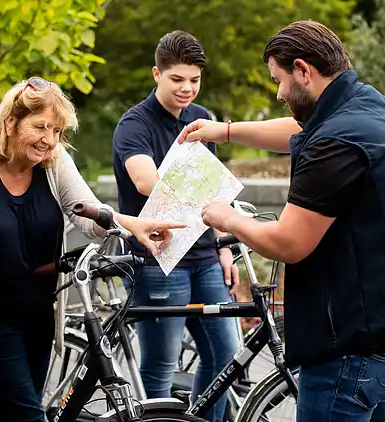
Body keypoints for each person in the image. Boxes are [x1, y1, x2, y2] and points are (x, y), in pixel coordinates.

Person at [177, 20, 385, 421]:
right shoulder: (370, 105)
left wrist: (227, 218)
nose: (279, 92)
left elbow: (289, 243)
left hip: (350, 350)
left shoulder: (336, 143)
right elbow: (302, 131)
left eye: (279, 80)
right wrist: (226, 131)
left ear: (303, 70)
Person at [0, 76, 185, 421]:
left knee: (5, 410)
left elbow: (87, 214)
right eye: (41, 127)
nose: (50, 140)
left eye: (58, 131)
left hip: (38, 315)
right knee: (29, 414)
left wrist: (133, 225)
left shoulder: (53, 163)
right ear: (11, 122)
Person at [111, 30, 239, 422]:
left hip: (204, 257)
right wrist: (204, 184)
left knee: (226, 356)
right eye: (177, 79)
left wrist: (225, 246)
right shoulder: (134, 125)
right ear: (156, 74)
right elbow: (146, 183)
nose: (187, 89)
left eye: (195, 80)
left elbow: (216, 192)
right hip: (158, 260)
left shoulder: (203, 121)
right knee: (160, 369)